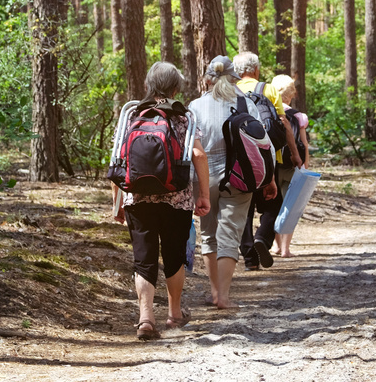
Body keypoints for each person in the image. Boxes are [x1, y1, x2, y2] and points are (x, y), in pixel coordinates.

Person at [122, 62, 211, 340]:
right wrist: (204, 195)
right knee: (173, 256)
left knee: (143, 258)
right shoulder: (184, 117)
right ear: (176, 87)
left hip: (137, 197)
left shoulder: (132, 113)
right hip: (177, 197)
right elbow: (198, 155)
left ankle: (146, 318)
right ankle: (174, 314)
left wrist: (119, 202)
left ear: (149, 85)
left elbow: (120, 158)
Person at [189, 55, 277, 309]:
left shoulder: (194, 106)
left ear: (207, 79)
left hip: (203, 179)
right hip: (240, 178)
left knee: (209, 234)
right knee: (230, 234)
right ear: (233, 79)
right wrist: (268, 180)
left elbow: (189, 149)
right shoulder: (245, 104)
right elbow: (264, 145)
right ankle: (223, 297)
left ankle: (214, 292)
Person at [233, 52, 303, 271]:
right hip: (267, 158)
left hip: (238, 160)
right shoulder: (267, 89)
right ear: (256, 69)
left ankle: (250, 259)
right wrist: (294, 153)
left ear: (237, 71)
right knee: (273, 203)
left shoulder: (230, 90)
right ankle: (262, 237)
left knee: (244, 206)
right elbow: (282, 122)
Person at [271, 74, 311, 258]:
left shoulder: (269, 112)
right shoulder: (299, 116)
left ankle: (275, 246)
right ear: (291, 94)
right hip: (293, 166)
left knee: (274, 205)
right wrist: (305, 167)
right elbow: (304, 144)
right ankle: (286, 249)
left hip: (273, 167)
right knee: (290, 207)